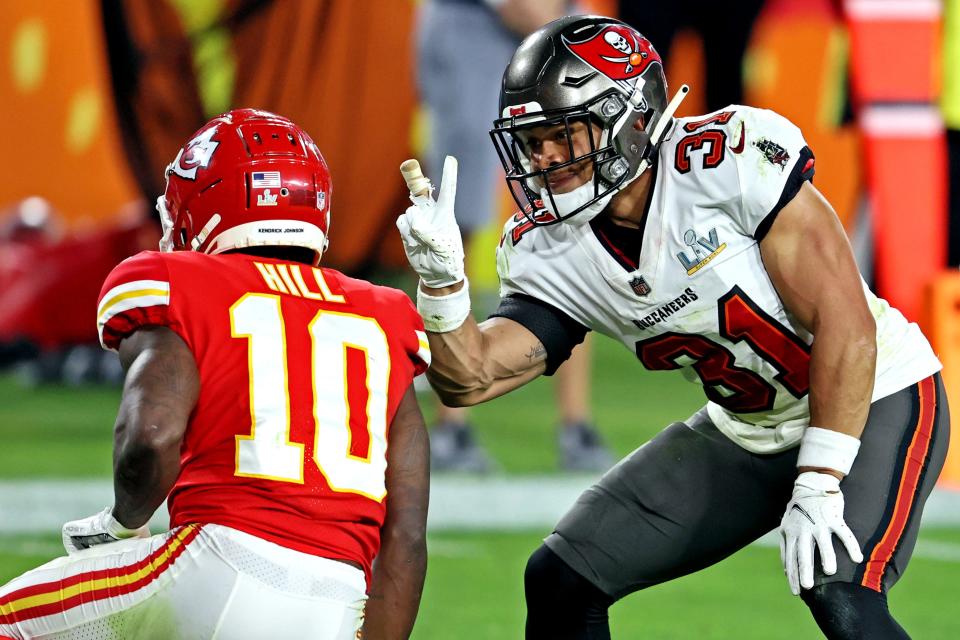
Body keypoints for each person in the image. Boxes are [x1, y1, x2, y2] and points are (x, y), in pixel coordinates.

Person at [396, 15, 949, 640]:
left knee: (841, 590)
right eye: (531, 140)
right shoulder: (552, 246)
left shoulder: (729, 161)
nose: (543, 158)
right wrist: (443, 285)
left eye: (560, 134)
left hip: (871, 394)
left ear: (630, 121)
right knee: (561, 577)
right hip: (748, 429)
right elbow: (467, 379)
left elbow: (847, 327)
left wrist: (820, 480)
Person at [0, 109, 430, 640]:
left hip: (216, 560)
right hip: (339, 599)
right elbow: (406, 536)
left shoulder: (175, 278)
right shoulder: (385, 313)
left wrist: (124, 523)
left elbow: (152, 435)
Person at [416, 0, 613, 472]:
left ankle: (576, 426)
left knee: (576, 204)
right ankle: (451, 427)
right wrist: (562, 29)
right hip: (476, 18)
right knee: (453, 219)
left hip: (554, 16)